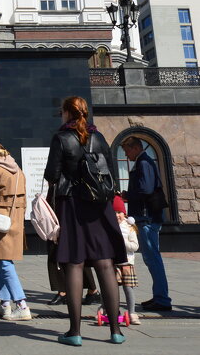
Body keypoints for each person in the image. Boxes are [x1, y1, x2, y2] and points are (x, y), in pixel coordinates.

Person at [44, 96, 128, 346]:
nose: (61, 115)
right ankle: (115, 331)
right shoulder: (99, 137)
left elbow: (52, 175)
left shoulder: (61, 138)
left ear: (68, 113)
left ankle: (75, 332)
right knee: (105, 264)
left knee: (74, 263)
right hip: (99, 206)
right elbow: (111, 173)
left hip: (72, 204)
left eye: (62, 111)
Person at [0, 142, 31, 321]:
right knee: (2, 259)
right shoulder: (19, 171)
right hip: (16, 219)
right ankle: (5, 304)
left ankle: (22, 304)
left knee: (5, 263)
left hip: (1, 220)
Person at [121, 136, 172, 311]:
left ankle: (162, 299)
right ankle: (160, 296)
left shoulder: (144, 162)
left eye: (127, 151)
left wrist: (128, 195)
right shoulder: (144, 162)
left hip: (147, 217)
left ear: (135, 148)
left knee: (153, 258)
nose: (126, 155)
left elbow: (146, 188)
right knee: (151, 258)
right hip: (147, 216)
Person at [112, 194, 140, 324]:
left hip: (127, 263)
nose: (117, 215)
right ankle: (111, 310)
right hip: (114, 263)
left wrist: (123, 243)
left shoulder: (129, 227)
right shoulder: (110, 227)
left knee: (128, 288)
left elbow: (135, 246)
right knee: (113, 288)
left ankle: (132, 312)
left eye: (120, 212)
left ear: (124, 213)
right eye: (115, 212)